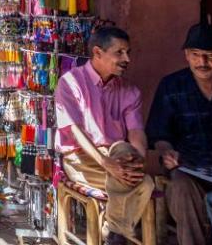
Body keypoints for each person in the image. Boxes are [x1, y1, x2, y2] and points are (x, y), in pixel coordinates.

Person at [55, 26, 154, 244]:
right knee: (144, 184)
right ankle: (116, 233)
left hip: (117, 155)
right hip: (81, 157)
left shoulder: (130, 91)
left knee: (130, 161)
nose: (127, 58)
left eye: (128, 52)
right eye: (119, 52)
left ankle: (113, 230)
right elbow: (75, 131)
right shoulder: (70, 83)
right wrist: (105, 162)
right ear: (98, 53)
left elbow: (136, 131)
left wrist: (138, 160)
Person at [145, 22, 212, 245]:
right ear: (187, 56)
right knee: (181, 189)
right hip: (188, 168)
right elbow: (158, 134)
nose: (202, 62)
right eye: (196, 55)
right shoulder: (172, 86)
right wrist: (167, 152)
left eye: (209, 55)